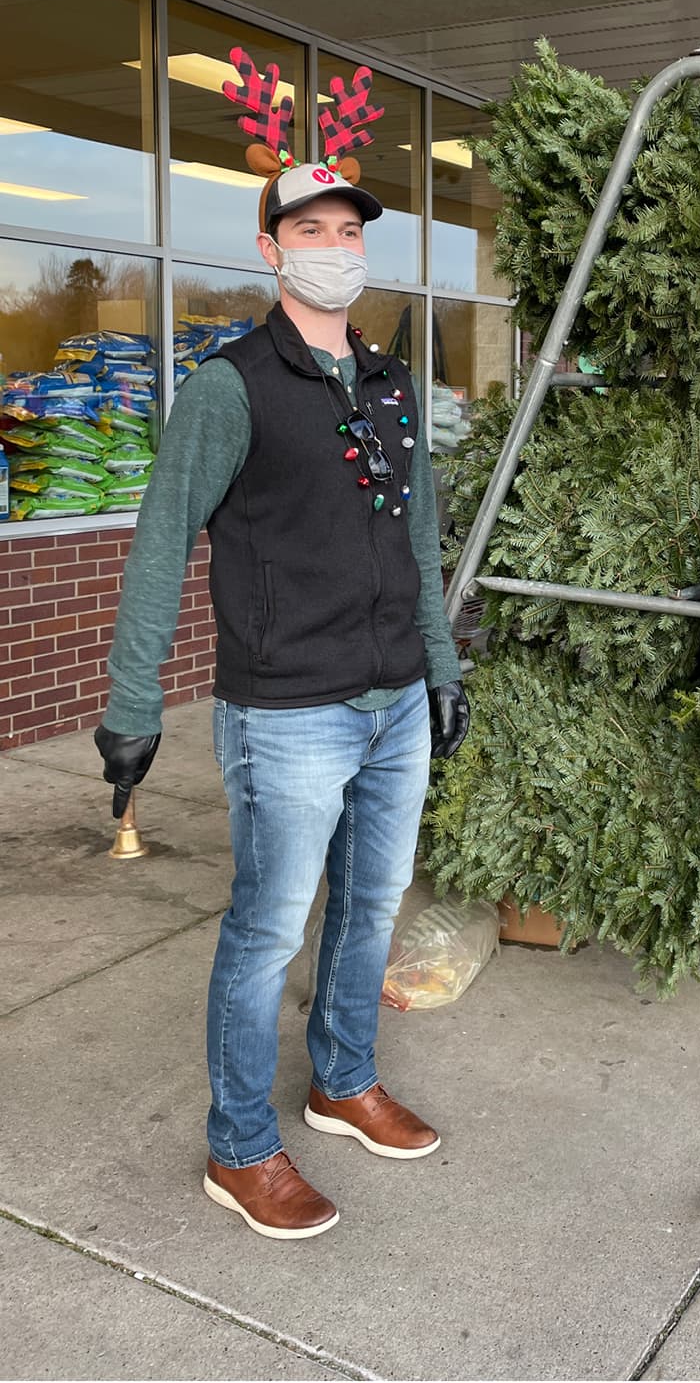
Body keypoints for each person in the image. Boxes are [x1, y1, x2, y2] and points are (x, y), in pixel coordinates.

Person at [94, 152, 469, 1240]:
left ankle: (343, 1080)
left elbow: (421, 539)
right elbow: (162, 541)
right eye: (310, 231)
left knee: (369, 907)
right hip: (287, 713)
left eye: (348, 232)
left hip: (395, 699)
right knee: (265, 931)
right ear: (270, 250)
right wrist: (132, 702)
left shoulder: (395, 387)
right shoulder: (230, 387)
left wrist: (440, 668)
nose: (335, 250)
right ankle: (240, 1146)